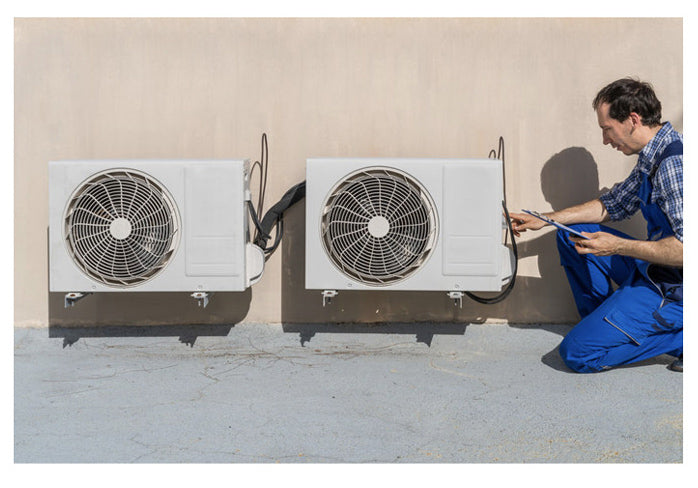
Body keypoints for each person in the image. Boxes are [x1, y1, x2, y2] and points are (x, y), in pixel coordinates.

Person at [510, 77, 683, 373]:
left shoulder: (674, 165)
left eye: (607, 129)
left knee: (577, 354)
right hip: (654, 272)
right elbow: (610, 205)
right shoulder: (651, 157)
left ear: (632, 119)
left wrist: (618, 246)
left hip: (676, 290)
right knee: (573, 238)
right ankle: (607, 325)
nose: (605, 140)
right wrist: (545, 219)